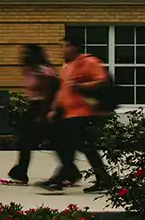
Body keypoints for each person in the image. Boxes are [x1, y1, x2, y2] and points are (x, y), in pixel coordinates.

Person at [38, 31, 113, 193]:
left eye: (64, 47)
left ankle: (59, 180)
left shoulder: (89, 62)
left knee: (68, 147)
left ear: (74, 47)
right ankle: (104, 179)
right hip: (69, 114)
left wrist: (81, 86)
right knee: (86, 148)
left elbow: (102, 81)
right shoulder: (69, 66)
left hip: (83, 114)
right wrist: (54, 108)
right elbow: (63, 91)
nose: (62, 51)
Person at [0, 44, 59, 186]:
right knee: (26, 140)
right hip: (34, 107)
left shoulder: (43, 71)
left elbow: (51, 91)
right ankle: (20, 172)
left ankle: (20, 173)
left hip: (43, 107)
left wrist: (45, 112)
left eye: (27, 53)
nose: (23, 56)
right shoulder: (31, 70)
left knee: (33, 140)